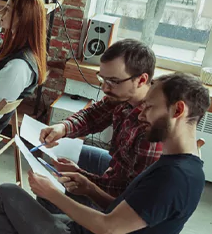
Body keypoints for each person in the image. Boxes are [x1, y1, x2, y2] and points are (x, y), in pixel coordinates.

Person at [0, 72, 210, 234]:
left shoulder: (173, 177)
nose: (141, 115)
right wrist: (89, 188)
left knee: (6, 192)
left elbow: (109, 227)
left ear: (178, 110)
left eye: (150, 108)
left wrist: (53, 194)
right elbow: (130, 211)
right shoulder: (179, 164)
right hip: (89, 228)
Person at [38, 39, 161, 206]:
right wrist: (63, 127)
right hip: (116, 167)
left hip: (122, 199)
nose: (105, 88)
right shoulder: (122, 95)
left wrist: (82, 177)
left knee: (51, 191)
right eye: (102, 79)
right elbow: (93, 115)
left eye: (113, 81)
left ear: (141, 80)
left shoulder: (151, 130)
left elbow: (127, 196)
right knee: (61, 156)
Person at [0, 0, 48, 138]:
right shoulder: (15, 46)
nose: (1, 12)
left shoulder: (18, 67)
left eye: (7, 9)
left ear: (23, 18)